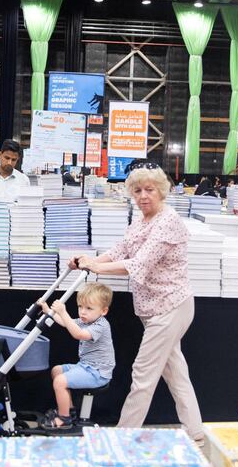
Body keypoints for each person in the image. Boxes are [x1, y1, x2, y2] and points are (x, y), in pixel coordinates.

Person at [68, 163, 204, 445]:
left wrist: (97, 267)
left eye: (149, 189)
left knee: (143, 374)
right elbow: (122, 250)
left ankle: (123, 436)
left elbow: (138, 264)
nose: (143, 196)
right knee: (176, 373)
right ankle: (196, 433)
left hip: (170, 306)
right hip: (152, 309)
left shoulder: (168, 222)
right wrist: (88, 260)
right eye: (138, 190)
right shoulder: (141, 220)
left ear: (161, 191)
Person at [37, 282, 114, 430]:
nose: (82, 312)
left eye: (89, 308)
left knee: (60, 382)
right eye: (80, 307)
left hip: (98, 373)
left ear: (104, 311)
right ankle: (69, 411)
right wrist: (48, 311)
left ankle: (64, 419)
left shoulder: (100, 325)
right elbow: (67, 323)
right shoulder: (86, 320)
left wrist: (63, 312)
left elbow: (78, 334)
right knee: (56, 371)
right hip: (85, 367)